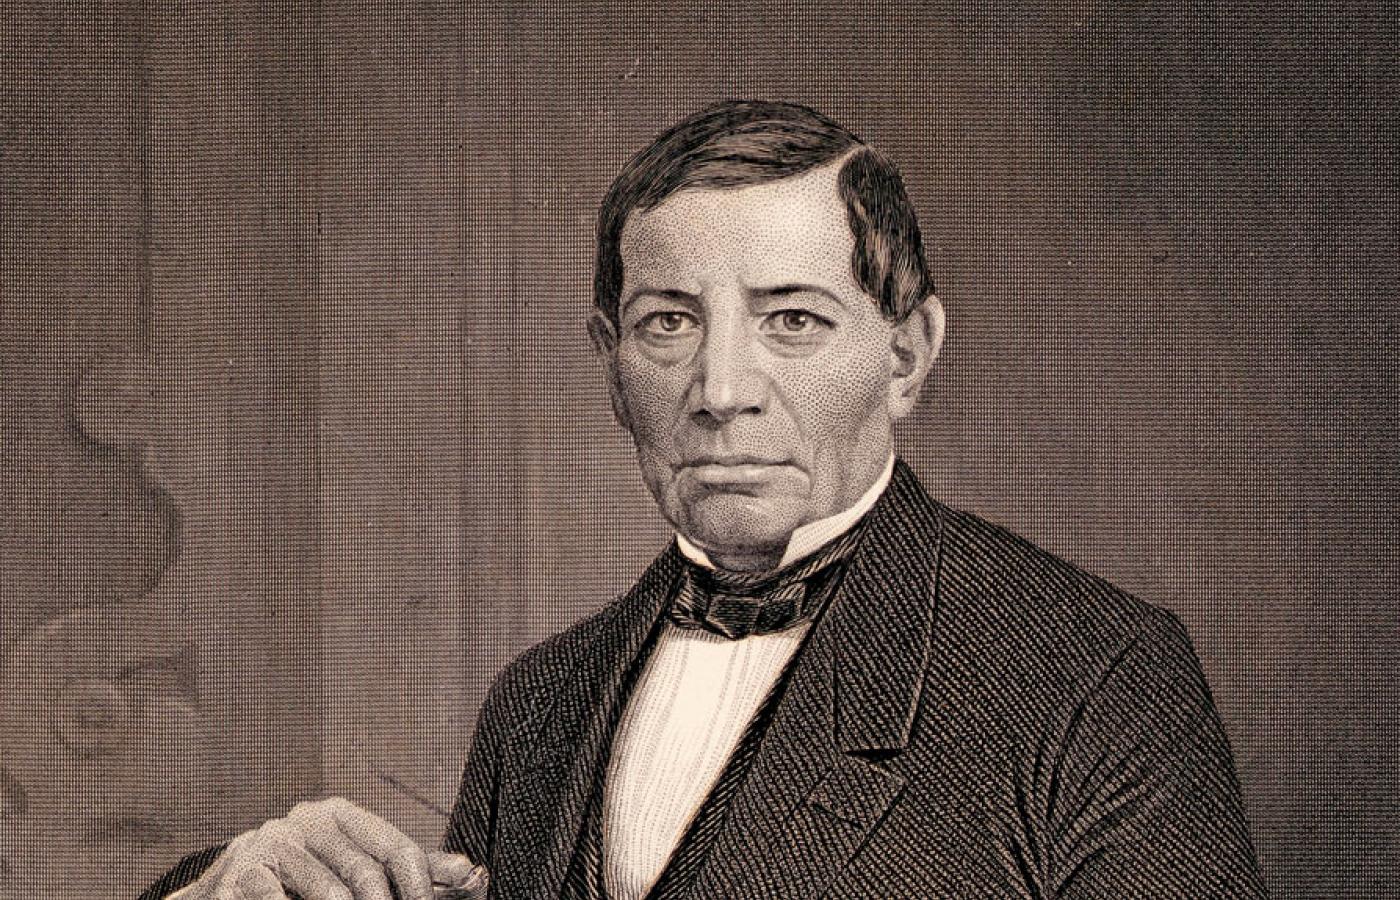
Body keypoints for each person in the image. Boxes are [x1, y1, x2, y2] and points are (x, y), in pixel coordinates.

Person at [145, 100, 1267, 899]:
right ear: (611, 363)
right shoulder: (537, 704)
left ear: (907, 354)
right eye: (668, 324)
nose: (721, 390)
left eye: (792, 320)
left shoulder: (1090, 671)